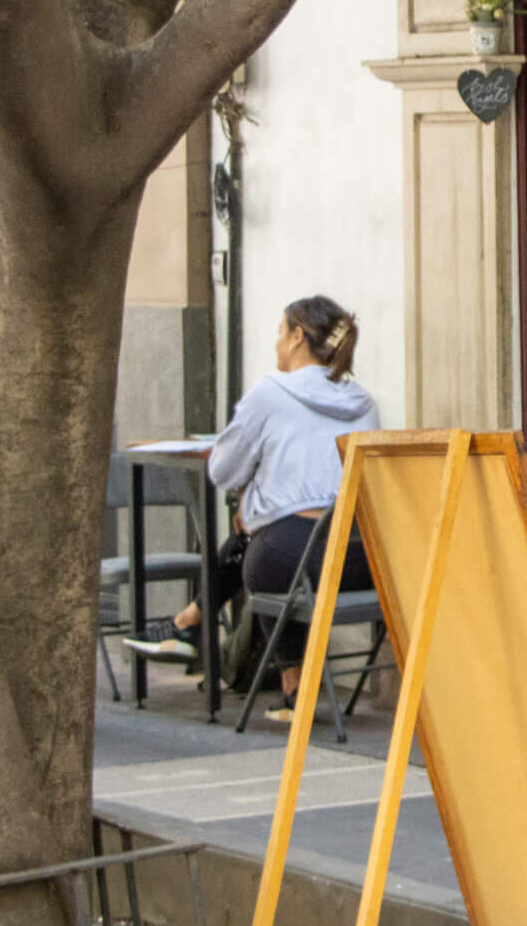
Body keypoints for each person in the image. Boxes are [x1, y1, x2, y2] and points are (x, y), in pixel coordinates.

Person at [124, 297, 381, 723]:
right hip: (361, 558)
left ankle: (216, 640)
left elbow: (223, 469)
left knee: (262, 552)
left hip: (291, 558)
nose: (277, 342)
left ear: (298, 337)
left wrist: (252, 494)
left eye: (281, 332)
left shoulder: (270, 394)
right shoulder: (363, 402)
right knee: (266, 536)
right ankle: (193, 625)